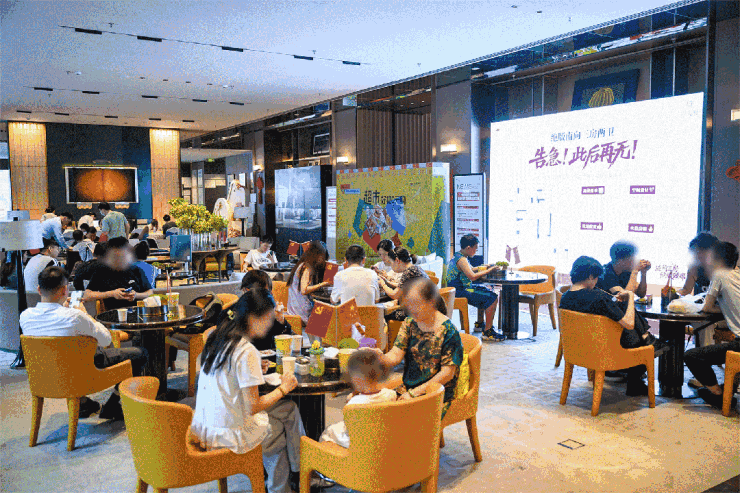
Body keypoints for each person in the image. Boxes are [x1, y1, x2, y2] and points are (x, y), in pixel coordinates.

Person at [190, 289, 304, 493]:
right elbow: (253, 406)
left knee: (289, 409)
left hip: (206, 426)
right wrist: (283, 388)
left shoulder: (218, 337)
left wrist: (253, 369)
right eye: (269, 319)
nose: (270, 325)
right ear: (254, 318)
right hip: (228, 433)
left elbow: (227, 375)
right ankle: (281, 488)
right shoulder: (247, 351)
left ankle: (299, 471)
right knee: (276, 432)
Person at [20, 266, 147, 419]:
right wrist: (85, 314)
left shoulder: (25, 316)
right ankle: (112, 406)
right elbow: (106, 339)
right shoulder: (75, 316)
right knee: (140, 354)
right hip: (84, 372)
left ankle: (84, 403)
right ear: (65, 290)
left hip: (45, 376)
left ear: (39, 290)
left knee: (71, 358)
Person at [559, 256, 660, 396]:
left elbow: (608, 302)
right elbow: (629, 324)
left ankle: (647, 339)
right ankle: (636, 378)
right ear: (590, 276)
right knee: (639, 338)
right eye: (596, 278)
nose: (597, 281)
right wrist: (630, 297)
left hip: (579, 349)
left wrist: (615, 300)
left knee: (624, 313)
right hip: (607, 350)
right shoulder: (598, 297)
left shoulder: (565, 297)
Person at [375, 278, 463, 418]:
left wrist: (414, 393)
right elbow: (396, 354)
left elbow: (447, 374)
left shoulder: (449, 331)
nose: (411, 310)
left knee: (394, 418)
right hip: (410, 387)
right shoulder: (410, 322)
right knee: (370, 407)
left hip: (437, 393)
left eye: (416, 304)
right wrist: (379, 358)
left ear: (431, 303)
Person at [685, 241, 740, 410]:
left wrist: (724, 308)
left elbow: (707, 308)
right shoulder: (737, 274)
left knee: (691, 356)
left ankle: (718, 395)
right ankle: (727, 391)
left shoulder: (719, 275)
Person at [319, 349, 397, 448]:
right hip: (380, 438)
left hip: (357, 443)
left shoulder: (354, 403)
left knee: (329, 431)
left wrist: (351, 400)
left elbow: (348, 426)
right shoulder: (391, 394)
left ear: (357, 379)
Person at [444, 234, 504, 341]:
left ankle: (480, 324)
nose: (476, 251)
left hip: (462, 289)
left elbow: (471, 269)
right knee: (493, 297)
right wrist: (489, 270)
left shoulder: (458, 255)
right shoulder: (462, 260)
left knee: (484, 290)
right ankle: (488, 331)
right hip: (462, 291)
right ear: (468, 248)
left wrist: (485, 266)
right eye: (475, 248)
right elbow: (472, 276)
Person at [84, 237, 153, 310]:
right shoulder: (102, 271)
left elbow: (149, 292)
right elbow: (87, 295)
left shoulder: (136, 270)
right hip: (111, 313)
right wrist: (111, 294)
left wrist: (136, 295)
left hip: (136, 311)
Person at [240, 270, 294, 351]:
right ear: (246, 291)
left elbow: (288, 338)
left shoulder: (270, 312)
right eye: (264, 292)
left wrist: (281, 321)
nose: (270, 295)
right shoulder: (237, 314)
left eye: (269, 291)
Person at [286, 240, 330, 327]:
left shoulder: (303, 264)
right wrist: (323, 284)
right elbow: (304, 290)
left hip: (293, 310)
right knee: (328, 316)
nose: (322, 260)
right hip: (300, 313)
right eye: (321, 256)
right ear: (315, 255)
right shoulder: (306, 268)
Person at [377, 247, 428, 321]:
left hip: (418, 313)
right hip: (425, 308)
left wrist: (383, 284)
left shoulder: (409, 272)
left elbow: (394, 295)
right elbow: (402, 286)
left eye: (391, 263)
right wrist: (387, 282)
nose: (391, 266)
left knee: (381, 316)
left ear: (397, 260)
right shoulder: (415, 268)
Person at [679, 232, 718, 296]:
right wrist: (673, 293)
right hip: (700, 302)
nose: (695, 257)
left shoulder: (724, 270)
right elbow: (686, 290)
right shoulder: (694, 269)